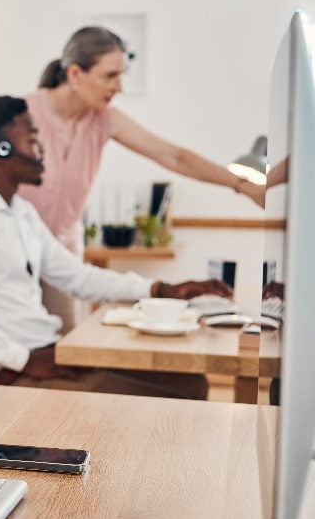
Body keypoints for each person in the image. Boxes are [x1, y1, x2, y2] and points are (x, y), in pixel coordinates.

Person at [0, 95, 233, 399]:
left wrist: (161, 288)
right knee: (179, 395)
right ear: (0, 149)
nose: (43, 148)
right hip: (11, 376)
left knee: (188, 384)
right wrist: (24, 359)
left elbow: (77, 277)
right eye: (32, 137)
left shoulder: (21, 212)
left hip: (49, 354)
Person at [20, 26, 265, 331]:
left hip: (63, 258)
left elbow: (173, 156)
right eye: (110, 76)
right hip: (15, 254)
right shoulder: (22, 115)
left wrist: (242, 185)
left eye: (121, 76)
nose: (118, 87)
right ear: (74, 75)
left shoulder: (103, 119)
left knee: (64, 349)